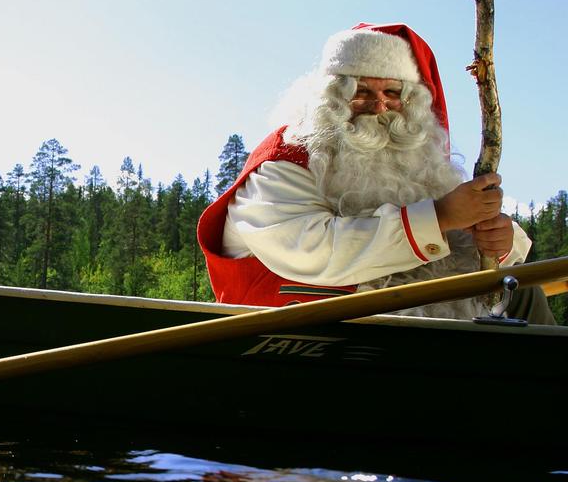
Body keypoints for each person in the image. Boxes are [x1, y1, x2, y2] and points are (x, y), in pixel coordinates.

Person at [197, 23, 554, 323]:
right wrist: (441, 216)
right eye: (361, 90)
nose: (379, 105)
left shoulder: (416, 161)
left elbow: (470, 235)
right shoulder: (285, 161)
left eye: (392, 92)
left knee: (522, 293)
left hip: (412, 329)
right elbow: (309, 250)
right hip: (306, 337)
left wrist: (500, 241)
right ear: (330, 96)